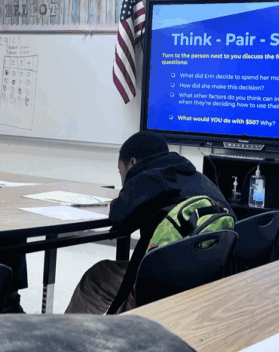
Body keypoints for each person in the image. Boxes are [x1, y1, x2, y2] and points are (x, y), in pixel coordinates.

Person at [64, 131, 229, 314]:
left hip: (170, 280)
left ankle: (69, 340)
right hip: (216, 273)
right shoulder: (198, 177)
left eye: (121, 173)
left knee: (97, 278)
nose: (122, 180)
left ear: (133, 163)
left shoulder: (148, 177)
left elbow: (120, 220)